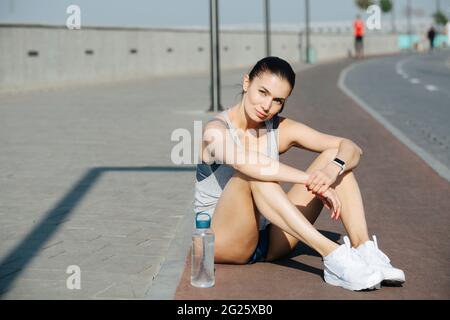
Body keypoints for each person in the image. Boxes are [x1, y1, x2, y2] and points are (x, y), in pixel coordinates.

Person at [194, 56, 405, 292]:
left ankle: (364, 249)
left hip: (270, 241)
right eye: (262, 92)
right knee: (252, 176)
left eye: (277, 100)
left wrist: (331, 170)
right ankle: (333, 255)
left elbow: (352, 147)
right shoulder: (214, 131)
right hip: (222, 241)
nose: (266, 106)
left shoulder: (280, 129)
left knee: (336, 161)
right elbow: (248, 164)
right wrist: (309, 179)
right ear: (246, 83)